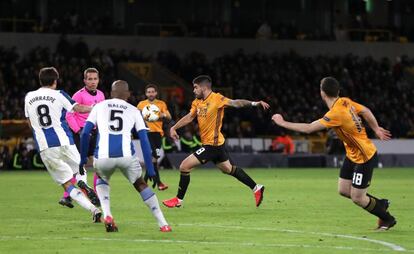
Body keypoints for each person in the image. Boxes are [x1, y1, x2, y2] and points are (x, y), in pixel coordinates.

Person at [272, 76, 396, 230]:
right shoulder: (345, 101)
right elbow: (366, 110)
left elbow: (309, 128)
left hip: (364, 156)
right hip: (352, 155)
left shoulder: (336, 113)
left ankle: (387, 219)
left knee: (357, 198)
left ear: (322, 93)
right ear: (337, 91)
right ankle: (381, 204)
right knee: (344, 190)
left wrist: (282, 123)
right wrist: (376, 128)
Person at [163, 75, 269, 208]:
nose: (194, 90)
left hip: (212, 145)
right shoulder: (197, 102)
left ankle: (178, 200)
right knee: (228, 169)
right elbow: (190, 117)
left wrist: (254, 103)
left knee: (184, 166)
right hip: (217, 144)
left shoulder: (217, 99)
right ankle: (256, 187)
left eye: (196, 87)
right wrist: (174, 127)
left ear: (204, 87)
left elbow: (236, 103)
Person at [80, 80, 171, 232]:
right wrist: (150, 168)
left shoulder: (99, 106)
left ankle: (108, 214)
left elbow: (84, 133)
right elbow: (144, 140)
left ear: (111, 93)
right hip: (127, 156)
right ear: (128, 94)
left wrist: (83, 158)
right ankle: (163, 224)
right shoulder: (134, 110)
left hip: (103, 156)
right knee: (141, 184)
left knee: (102, 179)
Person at [24, 67, 102, 222]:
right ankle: (83, 183)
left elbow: (30, 123)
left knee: (67, 184)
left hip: (46, 146)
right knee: (80, 170)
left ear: (40, 80)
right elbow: (78, 108)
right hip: (65, 141)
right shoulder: (59, 94)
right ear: (55, 80)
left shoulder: (29, 96)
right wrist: (94, 108)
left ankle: (94, 210)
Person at [62, 67, 105, 208]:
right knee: (79, 165)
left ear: (98, 80)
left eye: (95, 79)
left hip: (95, 132)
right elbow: (69, 114)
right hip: (81, 133)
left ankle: (95, 194)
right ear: (85, 80)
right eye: (90, 79)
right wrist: (78, 130)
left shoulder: (101, 95)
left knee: (98, 165)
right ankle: (67, 196)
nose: (93, 82)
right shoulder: (78, 95)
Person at [137, 84, 171, 190]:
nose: (150, 93)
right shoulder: (141, 104)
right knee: (154, 156)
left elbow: (169, 117)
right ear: (146, 93)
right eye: (148, 92)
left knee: (154, 158)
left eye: (152, 91)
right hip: (146, 133)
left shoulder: (161, 104)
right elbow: (135, 117)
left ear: (156, 93)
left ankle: (145, 181)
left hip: (158, 134)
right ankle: (159, 183)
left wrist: (160, 115)